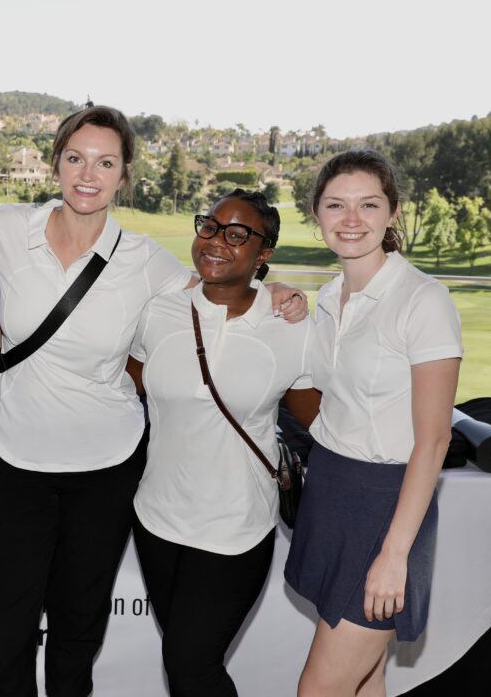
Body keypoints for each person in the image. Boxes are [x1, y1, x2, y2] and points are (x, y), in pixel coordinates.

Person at [0, 105, 307, 696]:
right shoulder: (5, 230)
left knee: (77, 630)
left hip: (104, 472)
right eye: (76, 158)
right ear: (56, 163)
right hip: (11, 462)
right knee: (3, 632)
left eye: (105, 162)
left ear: (124, 174)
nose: (89, 174)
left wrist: (275, 288)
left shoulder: (145, 260)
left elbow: (217, 282)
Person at [284, 150, 462, 696]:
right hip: (331, 491)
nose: (351, 219)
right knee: (366, 679)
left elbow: (434, 440)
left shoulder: (423, 300)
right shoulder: (327, 298)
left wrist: (394, 554)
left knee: (319, 689)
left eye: (368, 204)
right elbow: (313, 390)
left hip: (387, 507)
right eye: (336, 205)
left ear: (393, 212)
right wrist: (277, 296)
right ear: (317, 213)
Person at [129, 189, 321, 696]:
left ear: (264, 254)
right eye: (210, 226)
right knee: (188, 667)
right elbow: (125, 388)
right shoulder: (158, 312)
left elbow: (324, 422)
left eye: (237, 235)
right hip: (157, 520)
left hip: (236, 529)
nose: (216, 241)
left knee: (190, 666)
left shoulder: (291, 329)